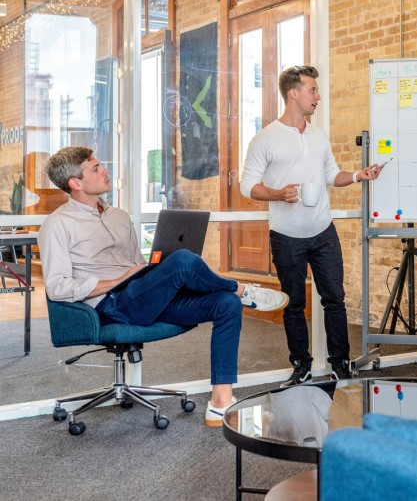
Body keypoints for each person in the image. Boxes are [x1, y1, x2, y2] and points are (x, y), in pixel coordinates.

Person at [38, 146, 289, 427]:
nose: (105, 169)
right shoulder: (57, 225)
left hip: (142, 295)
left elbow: (136, 264)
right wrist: (116, 280)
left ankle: (220, 402)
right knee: (183, 261)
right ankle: (241, 290)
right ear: (76, 183)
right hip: (113, 304)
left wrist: (150, 270)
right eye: (96, 168)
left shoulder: (118, 216)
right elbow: (57, 287)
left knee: (224, 304)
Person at [240, 65, 381, 386]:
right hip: (286, 236)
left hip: (323, 232)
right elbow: (247, 186)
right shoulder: (266, 138)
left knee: (335, 299)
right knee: (293, 302)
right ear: (294, 93)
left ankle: (340, 363)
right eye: (312, 90)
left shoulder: (318, 136)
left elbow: (332, 175)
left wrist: (359, 175)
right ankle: (301, 365)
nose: (318, 96)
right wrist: (278, 193)